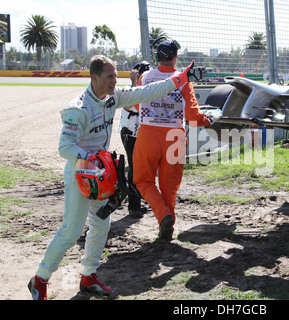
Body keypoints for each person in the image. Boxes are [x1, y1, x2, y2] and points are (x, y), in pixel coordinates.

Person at [28, 54, 202, 300]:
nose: (114, 80)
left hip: (102, 175)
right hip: (80, 173)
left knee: (101, 225)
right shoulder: (77, 108)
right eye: (110, 76)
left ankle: (89, 276)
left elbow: (147, 92)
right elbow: (65, 148)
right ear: (94, 77)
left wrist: (180, 78)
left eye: (115, 75)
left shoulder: (113, 97)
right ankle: (40, 280)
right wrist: (93, 159)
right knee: (72, 229)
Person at [133, 39, 216, 240]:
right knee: (169, 186)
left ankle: (163, 217)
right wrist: (209, 121)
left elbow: (136, 106)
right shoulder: (183, 79)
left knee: (143, 180)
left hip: (148, 135)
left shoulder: (145, 77)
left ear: (156, 57)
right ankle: (166, 225)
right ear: (175, 58)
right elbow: (193, 116)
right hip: (175, 137)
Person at [118, 61, 150, 218]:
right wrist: (133, 83)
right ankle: (133, 206)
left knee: (142, 168)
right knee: (134, 169)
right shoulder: (129, 90)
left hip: (143, 135)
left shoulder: (148, 89)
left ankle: (138, 198)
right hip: (130, 134)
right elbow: (128, 104)